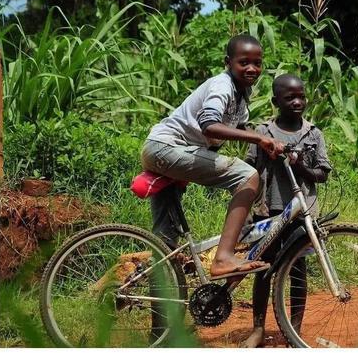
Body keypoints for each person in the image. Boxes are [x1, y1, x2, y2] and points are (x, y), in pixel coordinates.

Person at [140, 34, 283, 280]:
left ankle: (162, 316)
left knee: (165, 243)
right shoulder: (222, 85)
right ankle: (224, 257)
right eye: (244, 62)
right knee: (248, 176)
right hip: (167, 149)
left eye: (257, 63)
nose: (252, 68)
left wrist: (272, 144)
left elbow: (240, 130)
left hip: (167, 150)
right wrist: (260, 140)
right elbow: (209, 125)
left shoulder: (241, 94)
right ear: (228, 62)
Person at [242, 74, 333, 347]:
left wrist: (301, 166)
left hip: (300, 216)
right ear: (275, 101)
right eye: (289, 98)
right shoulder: (262, 133)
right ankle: (258, 328)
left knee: (298, 271)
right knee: (263, 269)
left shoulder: (313, 133)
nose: (297, 102)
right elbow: (250, 171)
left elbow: (322, 174)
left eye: (301, 96)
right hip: (267, 212)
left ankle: (293, 330)